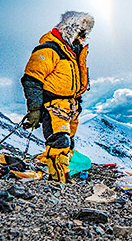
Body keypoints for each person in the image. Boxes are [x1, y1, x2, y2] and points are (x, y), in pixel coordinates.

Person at [21, 11, 94, 183]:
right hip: (54, 105)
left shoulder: (72, 53)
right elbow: (32, 79)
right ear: (69, 29)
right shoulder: (49, 50)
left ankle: (63, 176)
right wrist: (35, 109)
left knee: (68, 143)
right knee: (59, 141)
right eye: (80, 31)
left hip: (70, 106)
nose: (83, 36)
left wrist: (77, 102)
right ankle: (58, 179)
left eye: (85, 32)